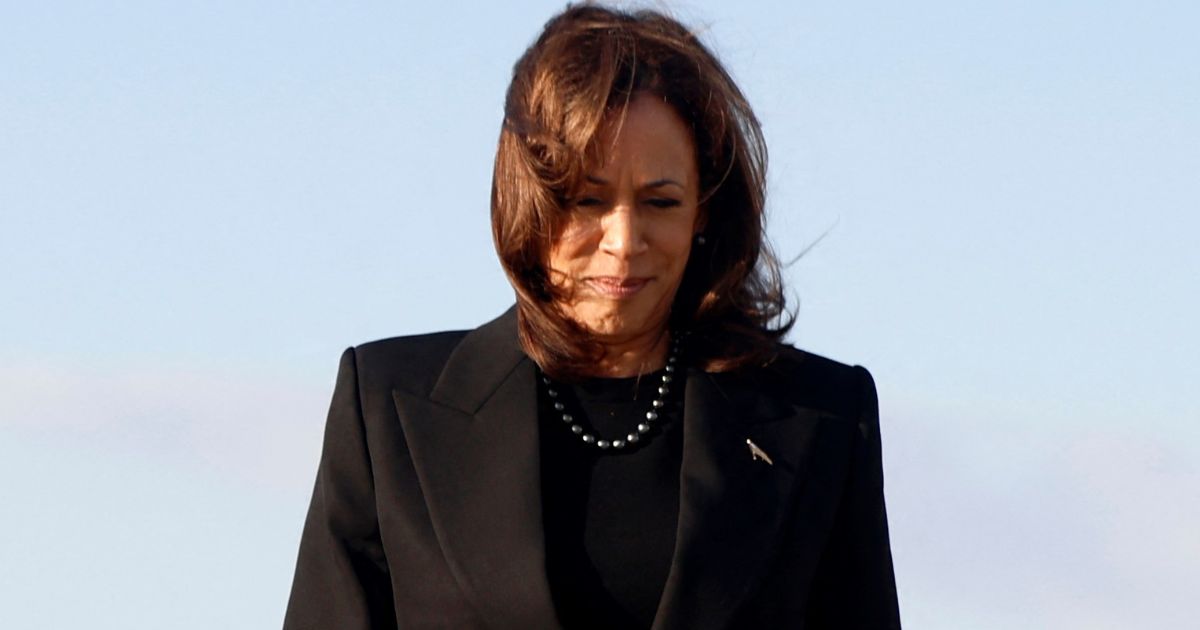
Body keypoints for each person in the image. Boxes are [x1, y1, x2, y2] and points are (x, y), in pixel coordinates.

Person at [283, 4, 900, 629]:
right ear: (529, 195)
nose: (624, 239)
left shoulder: (823, 420)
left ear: (705, 210)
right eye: (588, 199)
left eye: (661, 201)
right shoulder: (389, 410)